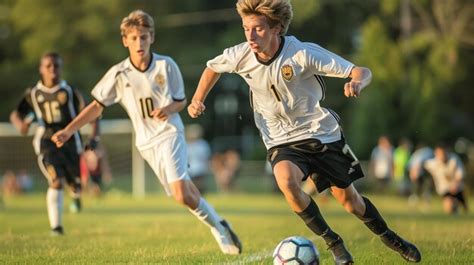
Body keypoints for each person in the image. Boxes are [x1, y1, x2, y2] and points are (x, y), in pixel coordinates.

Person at [187, 0, 421, 263]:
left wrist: (356, 82)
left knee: (351, 202)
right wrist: (198, 99)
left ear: (276, 28)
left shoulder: (302, 54)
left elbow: (361, 71)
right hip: (279, 139)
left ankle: (390, 237)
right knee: (286, 181)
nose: (251, 36)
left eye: (258, 29)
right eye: (246, 28)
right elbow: (211, 67)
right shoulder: (240, 55)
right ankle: (334, 243)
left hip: (321, 134)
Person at [51, 10, 241, 255]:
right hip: (146, 143)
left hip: (170, 133)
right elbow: (96, 107)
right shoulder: (119, 74)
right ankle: (220, 223)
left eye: (144, 37)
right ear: (125, 41)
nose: (139, 43)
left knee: (181, 193)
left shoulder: (166, 65)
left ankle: (219, 229)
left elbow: (181, 101)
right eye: (134, 38)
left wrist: (168, 108)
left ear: (152, 37)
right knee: (183, 194)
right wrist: (68, 130)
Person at [9, 52, 88, 235]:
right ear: (41, 69)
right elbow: (16, 114)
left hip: (70, 142)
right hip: (47, 143)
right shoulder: (34, 93)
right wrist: (21, 125)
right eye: (48, 66)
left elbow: (89, 112)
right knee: (55, 181)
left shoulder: (69, 91)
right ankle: (56, 227)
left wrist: (93, 139)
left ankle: (76, 195)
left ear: (61, 68)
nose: (53, 69)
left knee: (75, 185)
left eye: (56, 66)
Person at [423, 143, 468, 214]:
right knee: (448, 207)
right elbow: (423, 164)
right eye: (438, 154)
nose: (440, 156)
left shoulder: (454, 159)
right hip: (444, 188)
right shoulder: (433, 163)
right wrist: (415, 169)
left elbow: (460, 174)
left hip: (456, 188)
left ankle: (458, 204)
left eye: (442, 153)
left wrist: (455, 184)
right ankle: (454, 206)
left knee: (465, 209)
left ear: (446, 152)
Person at [185, 124, 211, 193]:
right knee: (190, 188)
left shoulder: (203, 144)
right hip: (190, 169)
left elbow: (206, 157)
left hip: (200, 169)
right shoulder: (187, 145)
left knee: (200, 187)